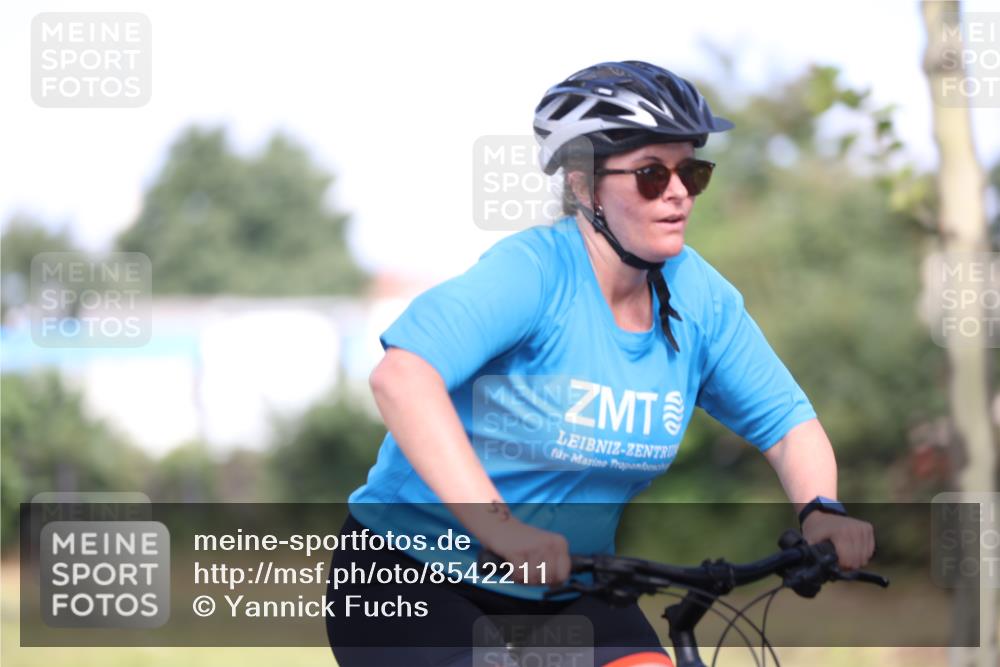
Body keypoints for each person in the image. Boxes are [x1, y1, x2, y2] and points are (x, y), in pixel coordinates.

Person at [326, 60, 876, 667]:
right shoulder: (533, 273)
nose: (678, 193)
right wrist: (500, 530)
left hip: (572, 586)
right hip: (412, 579)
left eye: (692, 172)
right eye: (650, 174)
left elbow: (785, 421)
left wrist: (822, 511)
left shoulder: (701, 299)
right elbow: (402, 378)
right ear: (585, 185)